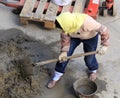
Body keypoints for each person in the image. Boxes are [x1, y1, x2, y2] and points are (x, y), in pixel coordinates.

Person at [47, 12, 110, 89]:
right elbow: (65, 39)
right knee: (63, 57)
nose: (63, 31)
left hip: (90, 37)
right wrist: (64, 51)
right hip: (74, 37)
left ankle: (93, 70)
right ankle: (57, 76)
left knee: (89, 58)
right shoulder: (65, 26)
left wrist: (105, 45)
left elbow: (103, 29)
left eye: (63, 29)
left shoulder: (87, 22)